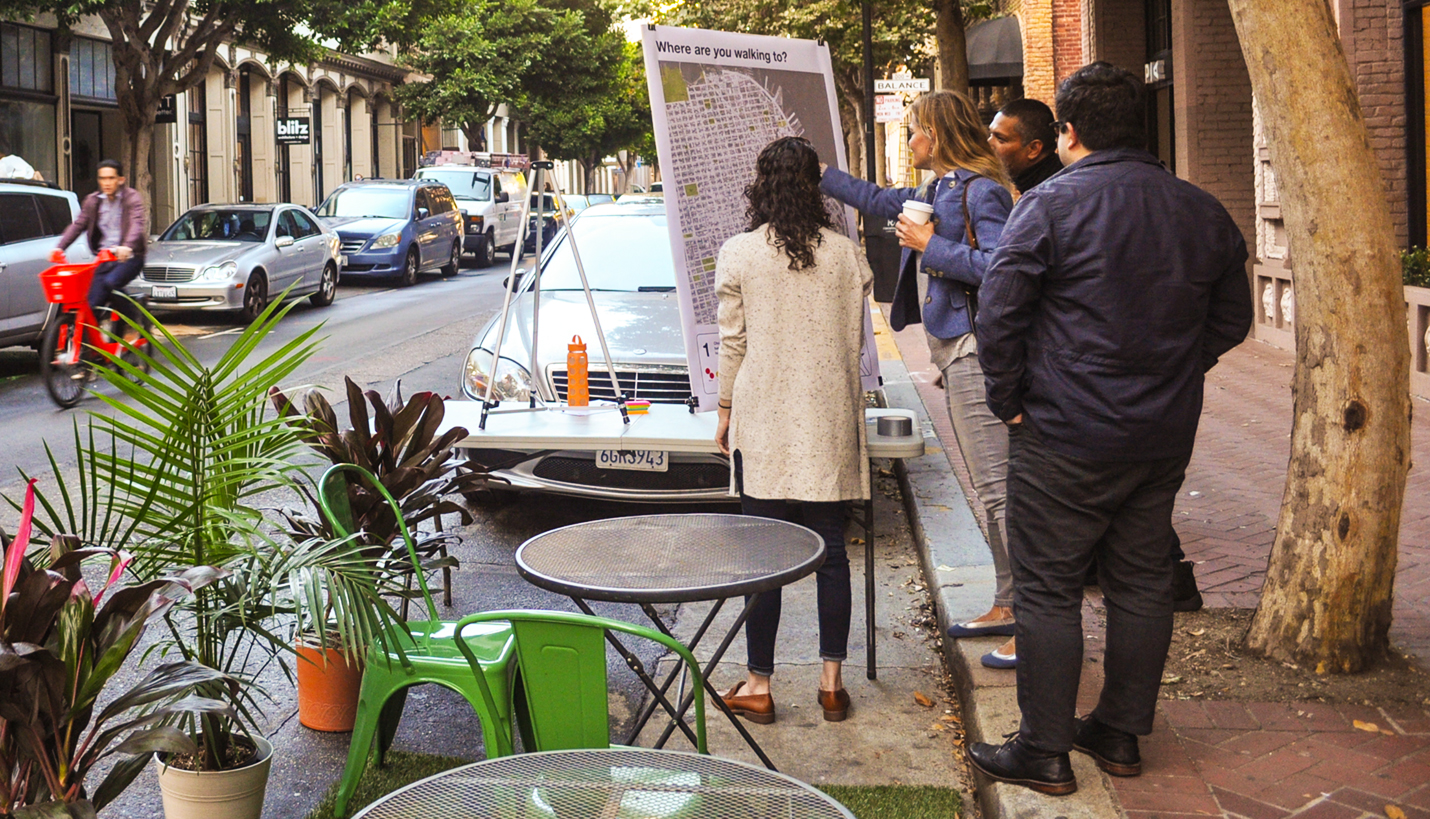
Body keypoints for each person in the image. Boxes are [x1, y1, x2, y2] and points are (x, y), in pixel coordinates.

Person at [967, 62, 1253, 795]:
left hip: (1064, 431)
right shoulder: (1200, 209)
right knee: (1139, 581)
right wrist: (1172, 371)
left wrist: (1009, 398)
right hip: (1159, 434)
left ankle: (1044, 748)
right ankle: (1120, 733)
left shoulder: (1050, 206)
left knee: (1048, 586)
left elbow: (1000, 313)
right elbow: (1231, 319)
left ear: (1066, 132)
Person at [821, 91, 1020, 668]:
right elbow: (879, 200)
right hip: (954, 349)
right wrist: (824, 175)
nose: (910, 140)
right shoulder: (939, 189)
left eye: (916, 130)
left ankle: (1032, 622)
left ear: (940, 134)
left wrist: (933, 248)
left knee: (999, 490)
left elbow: (1004, 269)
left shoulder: (982, 190)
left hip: (977, 350)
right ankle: (1006, 604)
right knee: (990, 490)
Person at [714, 136, 874, 724]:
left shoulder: (740, 253)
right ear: (816, 188)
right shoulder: (846, 255)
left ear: (762, 185)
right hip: (828, 411)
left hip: (764, 413)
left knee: (766, 555)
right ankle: (832, 685)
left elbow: (734, 345)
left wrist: (726, 411)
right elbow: (852, 343)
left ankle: (759, 684)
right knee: (830, 552)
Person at [52, 160, 148, 335]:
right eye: (103, 178)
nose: (107, 183)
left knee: (112, 282)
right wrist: (60, 247)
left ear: (121, 179)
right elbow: (78, 225)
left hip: (130, 257)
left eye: (111, 178)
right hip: (104, 258)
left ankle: (133, 321)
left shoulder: (131, 198)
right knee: (91, 304)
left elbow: (136, 224)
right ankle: (93, 351)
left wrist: (126, 246)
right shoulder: (93, 201)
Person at [988, 98, 1063, 195]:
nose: (989, 144)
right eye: (990, 135)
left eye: (1000, 139)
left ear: (1033, 149)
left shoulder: (1051, 195)